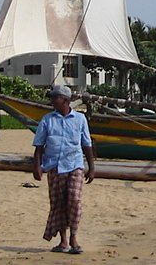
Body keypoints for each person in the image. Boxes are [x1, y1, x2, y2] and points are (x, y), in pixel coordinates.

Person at [33, 85, 95, 255]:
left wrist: (92, 167)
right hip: (54, 166)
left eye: (55, 98)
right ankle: (63, 241)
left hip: (75, 164)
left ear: (66, 101)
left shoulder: (80, 119)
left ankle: (74, 237)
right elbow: (39, 146)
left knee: (74, 200)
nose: (52, 101)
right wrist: (37, 166)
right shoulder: (47, 120)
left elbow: (87, 144)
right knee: (58, 203)